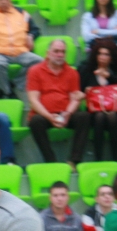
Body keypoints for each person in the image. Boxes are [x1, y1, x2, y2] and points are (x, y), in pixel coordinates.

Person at [26, 38, 89, 166]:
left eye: (63, 52)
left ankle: (74, 161)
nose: (60, 55)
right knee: (35, 121)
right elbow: (33, 100)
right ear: (48, 53)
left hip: (65, 113)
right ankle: (51, 162)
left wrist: (67, 113)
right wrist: (49, 116)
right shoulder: (35, 71)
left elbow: (75, 98)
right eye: (56, 51)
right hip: (44, 114)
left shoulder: (72, 72)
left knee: (84, 117)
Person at [79, 38, 117, 164]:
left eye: (106, 54)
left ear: (112, 57)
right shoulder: (86, 70)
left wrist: (107, 75)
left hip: (113, 110)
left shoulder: (116, 72)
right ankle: (98, 158)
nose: (102, 57)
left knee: (112, 116)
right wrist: (86, 91)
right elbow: (79, 91)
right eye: (100, 53)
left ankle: (115, 158)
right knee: (99, 116)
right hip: (94, 110)